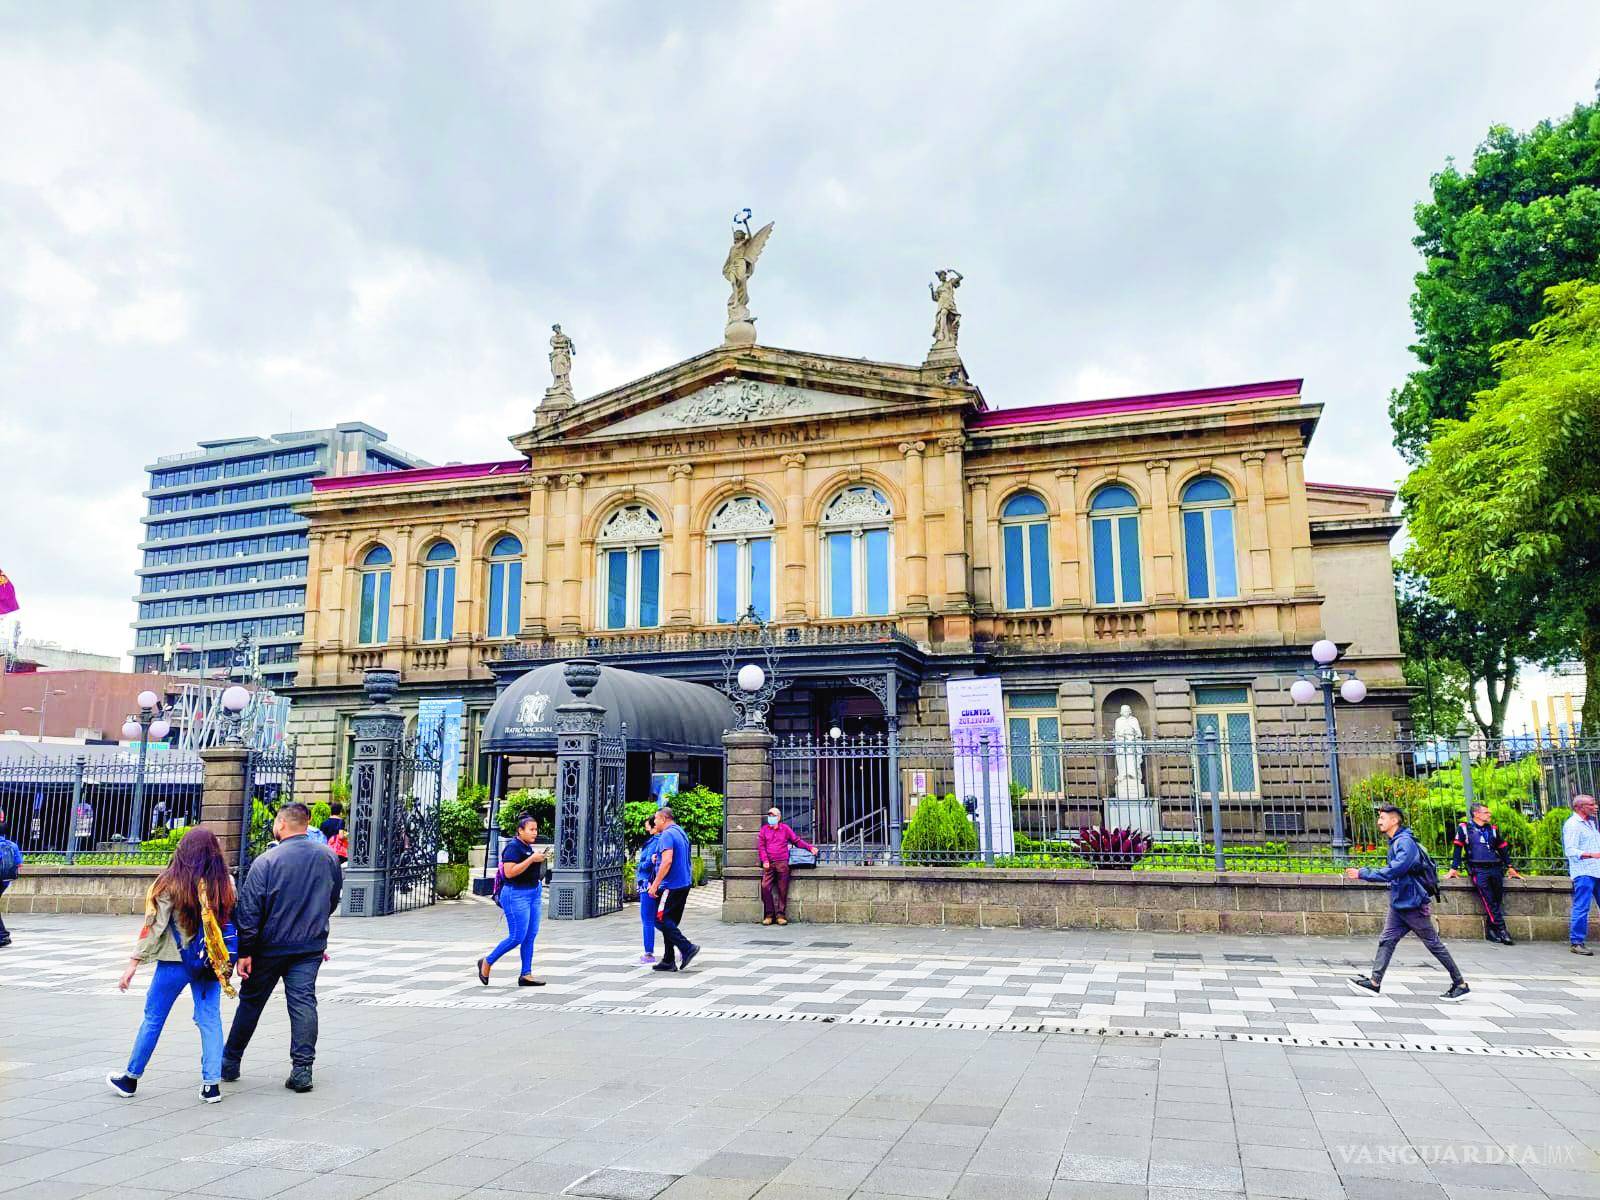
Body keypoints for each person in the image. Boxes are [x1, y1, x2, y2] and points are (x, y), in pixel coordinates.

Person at [106, 828, 236, 1104]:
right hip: (209, 962)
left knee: (153, 1018)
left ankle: (130, 1079)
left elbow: (154, 926)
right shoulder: (224, 883)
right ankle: (211, 1085)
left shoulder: (169, 883)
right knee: (210, 1019)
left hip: (174, 962)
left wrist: (133, 964)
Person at [221, 802, 343, 1093]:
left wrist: (245, 952)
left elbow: (249, 912)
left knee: (251, 1002)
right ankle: (302, 1070)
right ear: (307, 823)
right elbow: (333, 898)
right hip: (309, 945)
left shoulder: (267, 861)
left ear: (282, 824)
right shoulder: (328, 857)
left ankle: (229, 1063)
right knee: (303, 1002)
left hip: (269, 946)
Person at [1345, 805, 1469, 1001]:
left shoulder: (1405, 843)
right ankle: (1375, 982)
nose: (1379, 822)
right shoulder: (1397, 841)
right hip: (1401, 903)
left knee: (1433, 944)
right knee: (1387, 940)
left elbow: (1395, 870)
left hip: (1412, 904)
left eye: (1383, 818)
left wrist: (1363, 873)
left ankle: (1460, 984)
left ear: (1394, 820)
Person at [477, 814, 548, 986]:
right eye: (531, 829)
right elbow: (509, 872)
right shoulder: (513, 848)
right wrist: (532, 859)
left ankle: (526, 974)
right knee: (517, 936)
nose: (534, 833)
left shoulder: (527, 847)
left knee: (530, 935)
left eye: (536, 829)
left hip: (533, 893)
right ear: (520, 830)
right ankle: (487, 961)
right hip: (516, 894)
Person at [1448, 802, 1520, 944]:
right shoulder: (1464, 828)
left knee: (1496, 900)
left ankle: (1490, 931)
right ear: (1476, 814)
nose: (1489, 814)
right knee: (1488, 900)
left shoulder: (1492, 829)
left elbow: (1502, 848)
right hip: (1478, 868)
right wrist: (1453, 868)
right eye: (1486, 812)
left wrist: (1510, 866)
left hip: (1495, 867)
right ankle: (1502, 930)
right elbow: (1458, 848)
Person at [647, 805, 699, 973]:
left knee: (660, 920)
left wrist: (655, 884)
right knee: (670, 922)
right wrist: (658, 857)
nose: (654, 822)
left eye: (655, 819)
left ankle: (687, 947)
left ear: (663, 819)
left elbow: (668, 861)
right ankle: (669, 959)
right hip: (683, 883)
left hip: (671, 885)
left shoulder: (667, 835)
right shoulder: (679, 832)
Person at [757, 807, 816, 926]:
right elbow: (761, 846)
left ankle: (780, 915)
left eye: (773, 815)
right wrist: (765, 860)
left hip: (782, 863)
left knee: (782, 889)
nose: (770, 818)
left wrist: (810, 848)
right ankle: (769, 915)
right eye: (769, 815)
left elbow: (796, 841)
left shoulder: (785, 829)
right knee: (765, 887)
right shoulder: (764, 830)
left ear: (779, 817)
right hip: (769, 864)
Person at [1563, 795, 1600, 955]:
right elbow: (1570, 850)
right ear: (1580, 807)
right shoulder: (1573, 825)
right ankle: (1576, 942)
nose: (1595, 807)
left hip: (1597, 870)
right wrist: (1592, 855)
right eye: (1591, 805)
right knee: (1582, 907)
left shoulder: (1591, 823)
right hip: (1584, 872)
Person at [636, 813, 662, 964]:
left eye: (648, 826)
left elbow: (646, 864)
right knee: (660, 919)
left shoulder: (655, 842)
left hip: (647, 883)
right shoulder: (660, 840)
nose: (646, 829)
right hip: (655, 882)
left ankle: (648, 953)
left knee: (647, 919)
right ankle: (681, 945)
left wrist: (642, 864)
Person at [0, 808, 17, 949]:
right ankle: (2, 935)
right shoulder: (12, 845)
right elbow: (19, 864)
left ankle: (3, 936)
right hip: (5, 880)